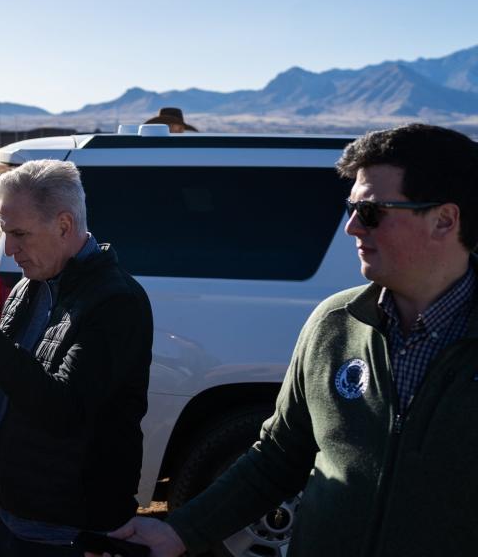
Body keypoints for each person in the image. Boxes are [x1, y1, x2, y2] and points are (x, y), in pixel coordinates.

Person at [86, 124, 478, 557]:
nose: (351, 228)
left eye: (371, 212)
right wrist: (179, 532)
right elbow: (278, 457)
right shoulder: (334, 323)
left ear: (444, 219)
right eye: (349, 208)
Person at [0, 159, 153, 556]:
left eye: (20, 234)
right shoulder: (32, 284)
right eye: (6, 233)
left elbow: (64, 410)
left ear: (63, 225)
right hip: (10, 512)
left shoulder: (116, 302)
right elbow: (8, 382)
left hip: (66, 531)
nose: (10, 249)